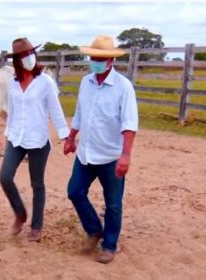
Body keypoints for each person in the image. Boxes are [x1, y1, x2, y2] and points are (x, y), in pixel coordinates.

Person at [63, 35, 138, 263]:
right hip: (86, 152)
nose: (95, 60)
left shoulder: (123, 87)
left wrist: (125, 155)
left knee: (113, 204)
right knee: (74, 191)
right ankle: (94, 229)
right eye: (93, 57)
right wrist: (71, 137)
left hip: (111, 156)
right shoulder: (86, 82)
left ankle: (109, 245)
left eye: (100, 57)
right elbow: (79, 113)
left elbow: (129, 124)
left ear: (110, 60)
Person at [0, 37, 69, 242]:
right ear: (17, 60)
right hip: (16, 137)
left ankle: (36, 226)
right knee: (4, 177)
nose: (28, 58)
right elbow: (11, 111)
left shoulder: (45, 82)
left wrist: (65, 135)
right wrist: (6, 135)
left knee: (37, 183)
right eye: (23, 55)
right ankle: (20, 213)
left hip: (38, 139)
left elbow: (55, 110)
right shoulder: (12, 83)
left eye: (30, 53)